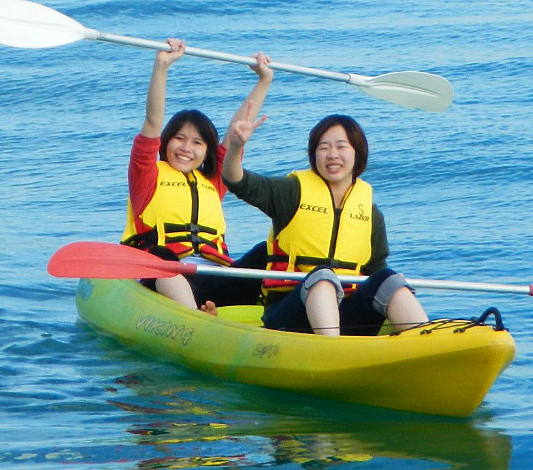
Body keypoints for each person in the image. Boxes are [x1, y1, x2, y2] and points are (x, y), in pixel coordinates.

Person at [222, 110, 429, 336]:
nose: (332, 155)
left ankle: (425, 339)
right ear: (314, 155)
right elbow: (237, 181)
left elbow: (375, 273)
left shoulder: (371, 214)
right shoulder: (292, 192)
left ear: (358, 153)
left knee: (388, 279)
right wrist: (235, 148)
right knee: (322, 277)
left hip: (347, 314)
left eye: (341, 147)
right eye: (324, 148)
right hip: (290, 313)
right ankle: (331, 348)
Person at [120, 38, 273, 313]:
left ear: (207, 151)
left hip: (215, 278)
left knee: (266, 251)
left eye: (197, 143)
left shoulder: (214, 181)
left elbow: (237, 131)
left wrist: (264, 80)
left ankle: (265, 314)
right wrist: (161, 66)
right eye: (179, 138)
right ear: (166, 142)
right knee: (162, 258)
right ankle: (196, 318)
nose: (186, 148)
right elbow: (153, 122)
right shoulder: (147, 176)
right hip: (167, 278)